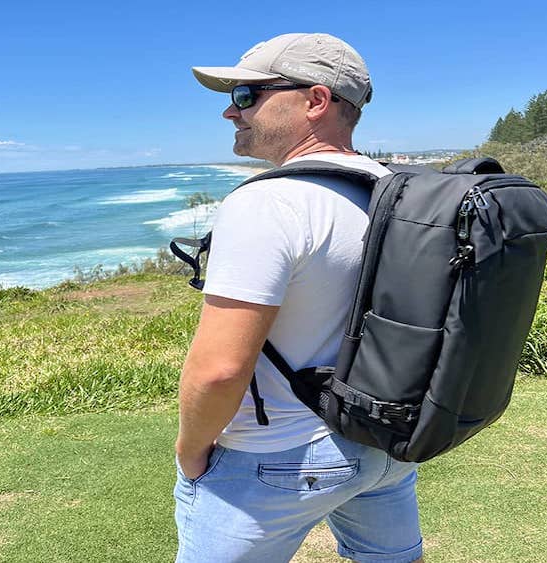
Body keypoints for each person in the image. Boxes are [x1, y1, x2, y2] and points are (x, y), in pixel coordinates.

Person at [174, 33, 423, 563]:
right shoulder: (398, 192)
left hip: (279, 455)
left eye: (247, 95)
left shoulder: (268, 203)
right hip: (383, 439)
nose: (229, 110)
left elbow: (218, 369)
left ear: (315, 101)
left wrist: (191, 451)